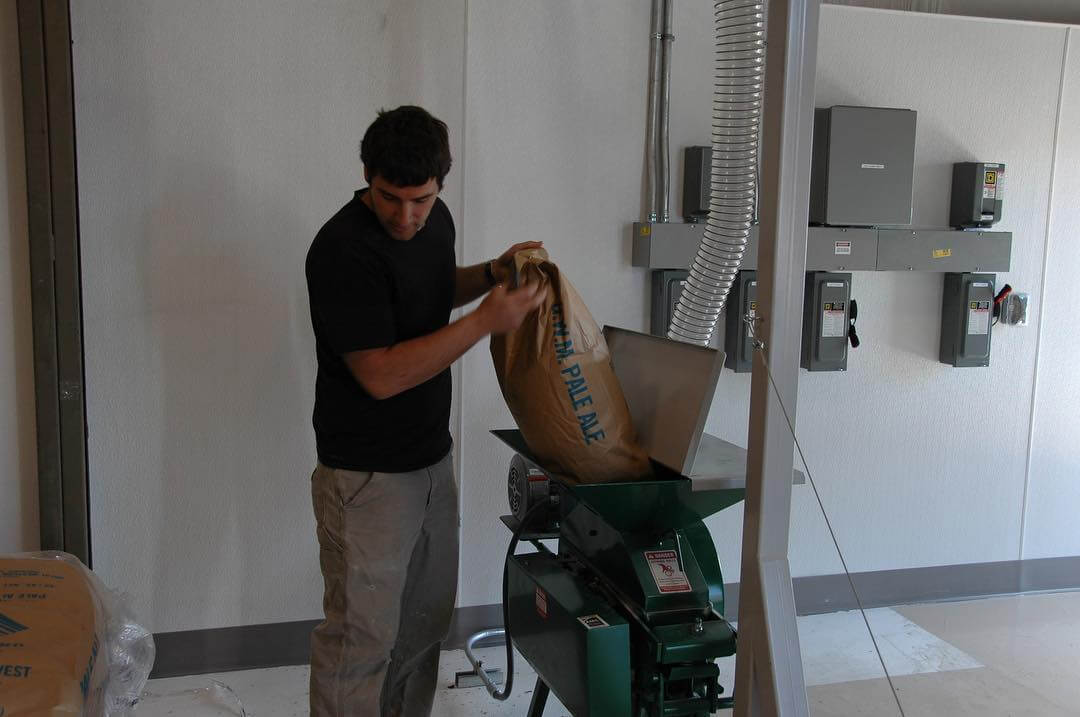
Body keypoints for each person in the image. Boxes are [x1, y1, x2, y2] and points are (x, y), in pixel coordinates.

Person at [304, 105, 544, 716]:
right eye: (391, 199)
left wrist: (488, 274)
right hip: (366, 479)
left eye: (423, 200)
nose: (407, 217)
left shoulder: (436, 224)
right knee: (361, 643)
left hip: (432, 463)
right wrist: (486, 320)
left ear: (441, 184)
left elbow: (430, 287)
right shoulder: (340, 250)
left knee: (422, 631)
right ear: (366, 175)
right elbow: (380, 375)